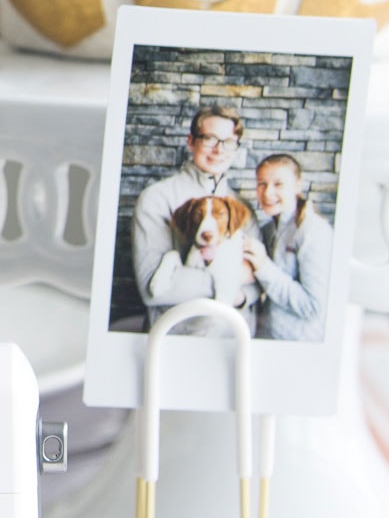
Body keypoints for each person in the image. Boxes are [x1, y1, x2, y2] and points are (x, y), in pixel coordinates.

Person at [130, 104, 256, 326]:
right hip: (179, 338)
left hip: (237, 339)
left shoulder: (241, 208)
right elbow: (152, 289)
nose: (219, 150)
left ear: (236, 148)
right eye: (209, 139)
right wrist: (232, 281)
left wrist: (242, 296)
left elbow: (257, 283)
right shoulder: (157, 198)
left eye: (228, 142)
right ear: (191, 141)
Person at [243, 153, 333, 343]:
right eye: (262, 183)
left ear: (297, 185)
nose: (267, 193)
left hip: (299, 347)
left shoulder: (312, 231)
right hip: (267, 340)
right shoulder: (268, 229)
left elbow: (313, 307)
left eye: (278, 184)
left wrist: (263, 266)